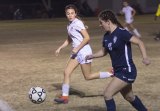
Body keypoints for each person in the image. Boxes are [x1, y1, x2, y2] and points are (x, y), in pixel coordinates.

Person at [86, 10, 151, 111]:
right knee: (129, 97)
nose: (100, 25)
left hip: (127, 70)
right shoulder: (106, 36)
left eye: (101, 23)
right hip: (118, 71)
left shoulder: (122, 33)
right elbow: (104, 52)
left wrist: (145, 57)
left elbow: (140, 42)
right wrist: (92, 56)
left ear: (108, 22)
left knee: (107, 94)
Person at [54, 4, 113, 104]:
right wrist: (60, 48)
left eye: (72, 13)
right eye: (68, 13)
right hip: (77, 53)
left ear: (75, 13)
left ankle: (111, 73)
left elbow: (87, 38)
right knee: (66, 72)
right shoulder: (69, 25)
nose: (70, 15)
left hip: (84, 52)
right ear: (66, 14)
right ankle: (65, 97)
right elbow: (69, 39)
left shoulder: (78, 23)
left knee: (88, 76)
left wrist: (77, 48)